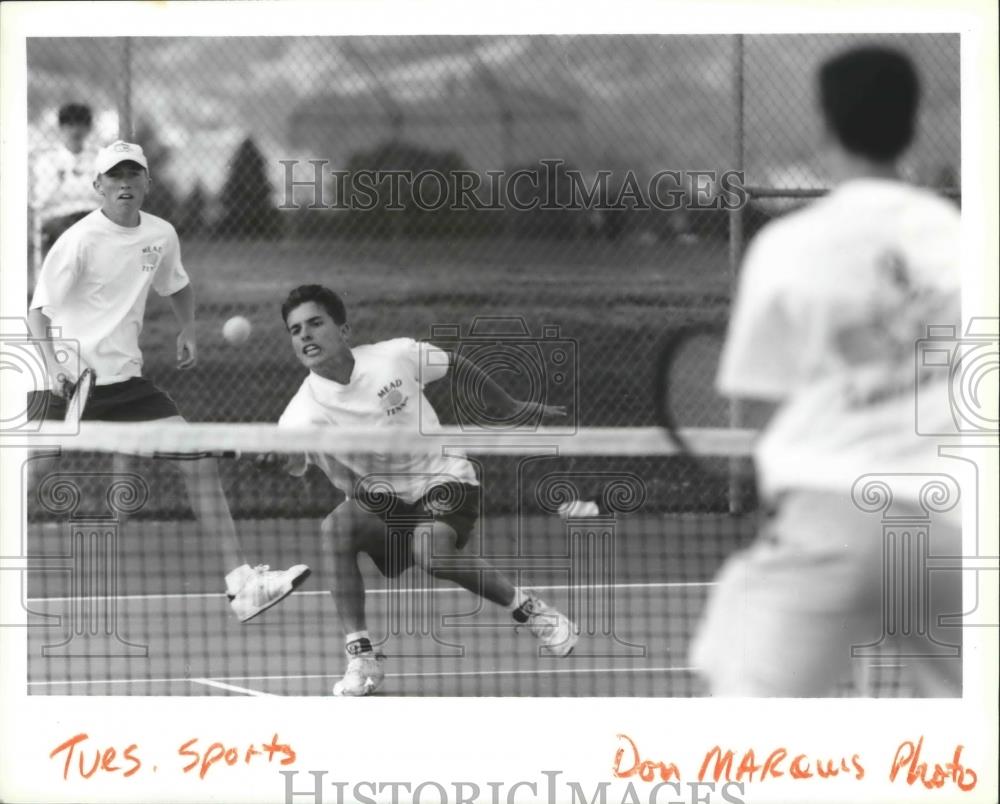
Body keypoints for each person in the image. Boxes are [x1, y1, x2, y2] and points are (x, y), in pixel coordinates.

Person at [691, 46, 962, 696]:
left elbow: (760, 406)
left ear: (823, 125)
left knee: (735, 747)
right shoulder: (962, 237)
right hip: (959, 527)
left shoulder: (786, 246)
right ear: (915, 125)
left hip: (831, 518)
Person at [27, 139, 309, 622]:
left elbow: (177, 284)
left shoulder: (160, 235)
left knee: (197, 459)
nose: (124, 184)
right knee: (25, 472)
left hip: (124, 384)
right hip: (65, 379)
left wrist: (187, 328)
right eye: (114, 176)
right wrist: (53, 367)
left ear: (147, 183)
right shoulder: (78, 240)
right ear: (97, 186)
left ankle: (241, 584)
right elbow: (37, 313)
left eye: (133, 174)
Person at [275, 284, 579, 696]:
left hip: (444, 476)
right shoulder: (300, 414)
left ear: (343, 330)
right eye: (296, 330)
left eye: (315, 323)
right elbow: (292, 464)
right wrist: (275, 460)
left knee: (431, 550)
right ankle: (361, 658)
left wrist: (509, 406)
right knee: (335, 530)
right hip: (383, 498)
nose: (306, 335)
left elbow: (455, 363)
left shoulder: (393, 357)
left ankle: (530, 610)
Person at [30, 104, 101, 281]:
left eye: (81, 124)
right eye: (70, 124)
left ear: (89, 128)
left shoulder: (99, 157)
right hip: (58, 217)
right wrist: (58, 180)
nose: (75, 130)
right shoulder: (49, 159)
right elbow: (40, 200)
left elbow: (102, 195)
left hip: (92, 214)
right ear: (61, 128)